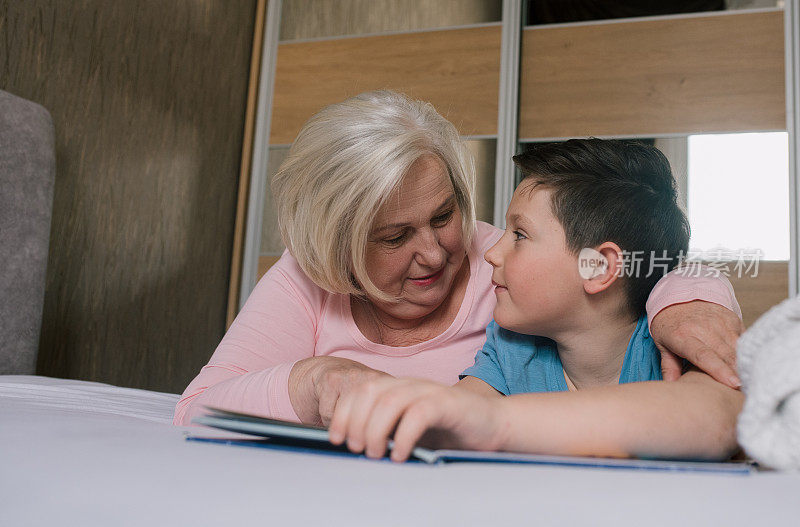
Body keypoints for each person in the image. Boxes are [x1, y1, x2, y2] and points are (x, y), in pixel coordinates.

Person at [173, 91, 742, 428]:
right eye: (394, 237)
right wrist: (312, 382)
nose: (436, 252)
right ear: (337, 245)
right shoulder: (306, 279)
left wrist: (685, 298)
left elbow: (634, 257)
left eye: (444, 215)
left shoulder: (510, 268)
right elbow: (197, 407)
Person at [327, 139, 744, 462]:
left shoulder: (666, 348)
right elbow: (460, 411)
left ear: (597, 268)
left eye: (519, 236)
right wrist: (405, 413)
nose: (492, 251)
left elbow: (718, 418)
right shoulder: (511, 347)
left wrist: (496, 423)